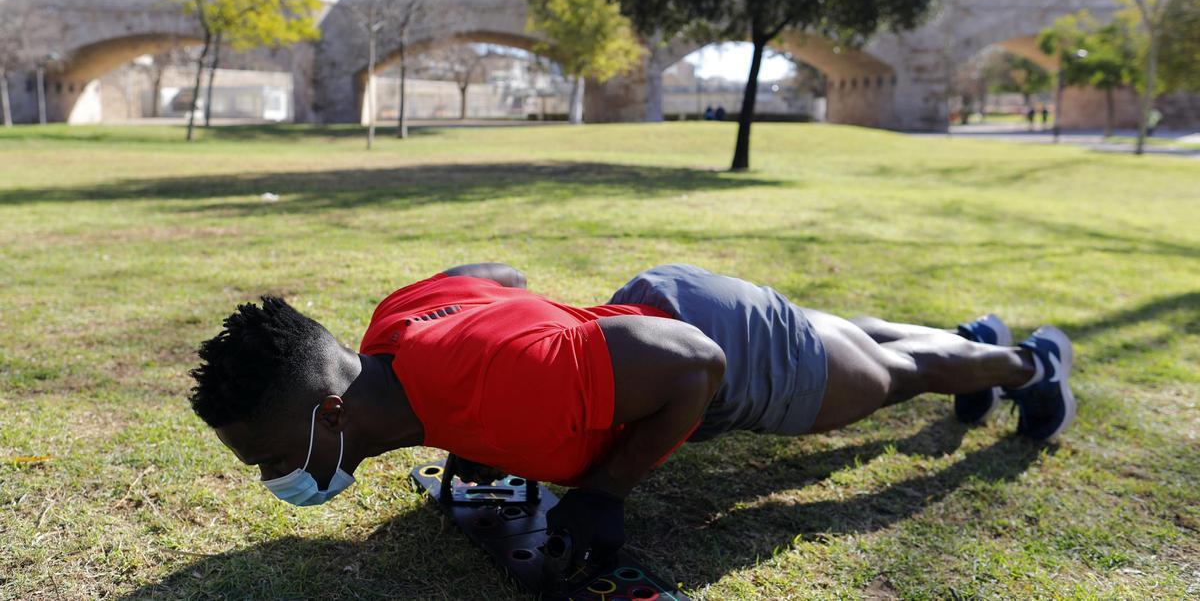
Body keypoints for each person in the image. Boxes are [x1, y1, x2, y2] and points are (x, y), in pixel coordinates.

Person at [189, 263, 1076, 577]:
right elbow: (493, 274)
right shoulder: (394, 328)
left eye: (274, 459)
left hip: (706, 345)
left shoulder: (504, 382)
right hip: (652, 310)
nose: (279, 480)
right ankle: (978, 340)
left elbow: (697, 365)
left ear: (335, 416)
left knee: (887, 374)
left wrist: (608, 488)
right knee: (850, 340)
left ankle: (1031, 364)